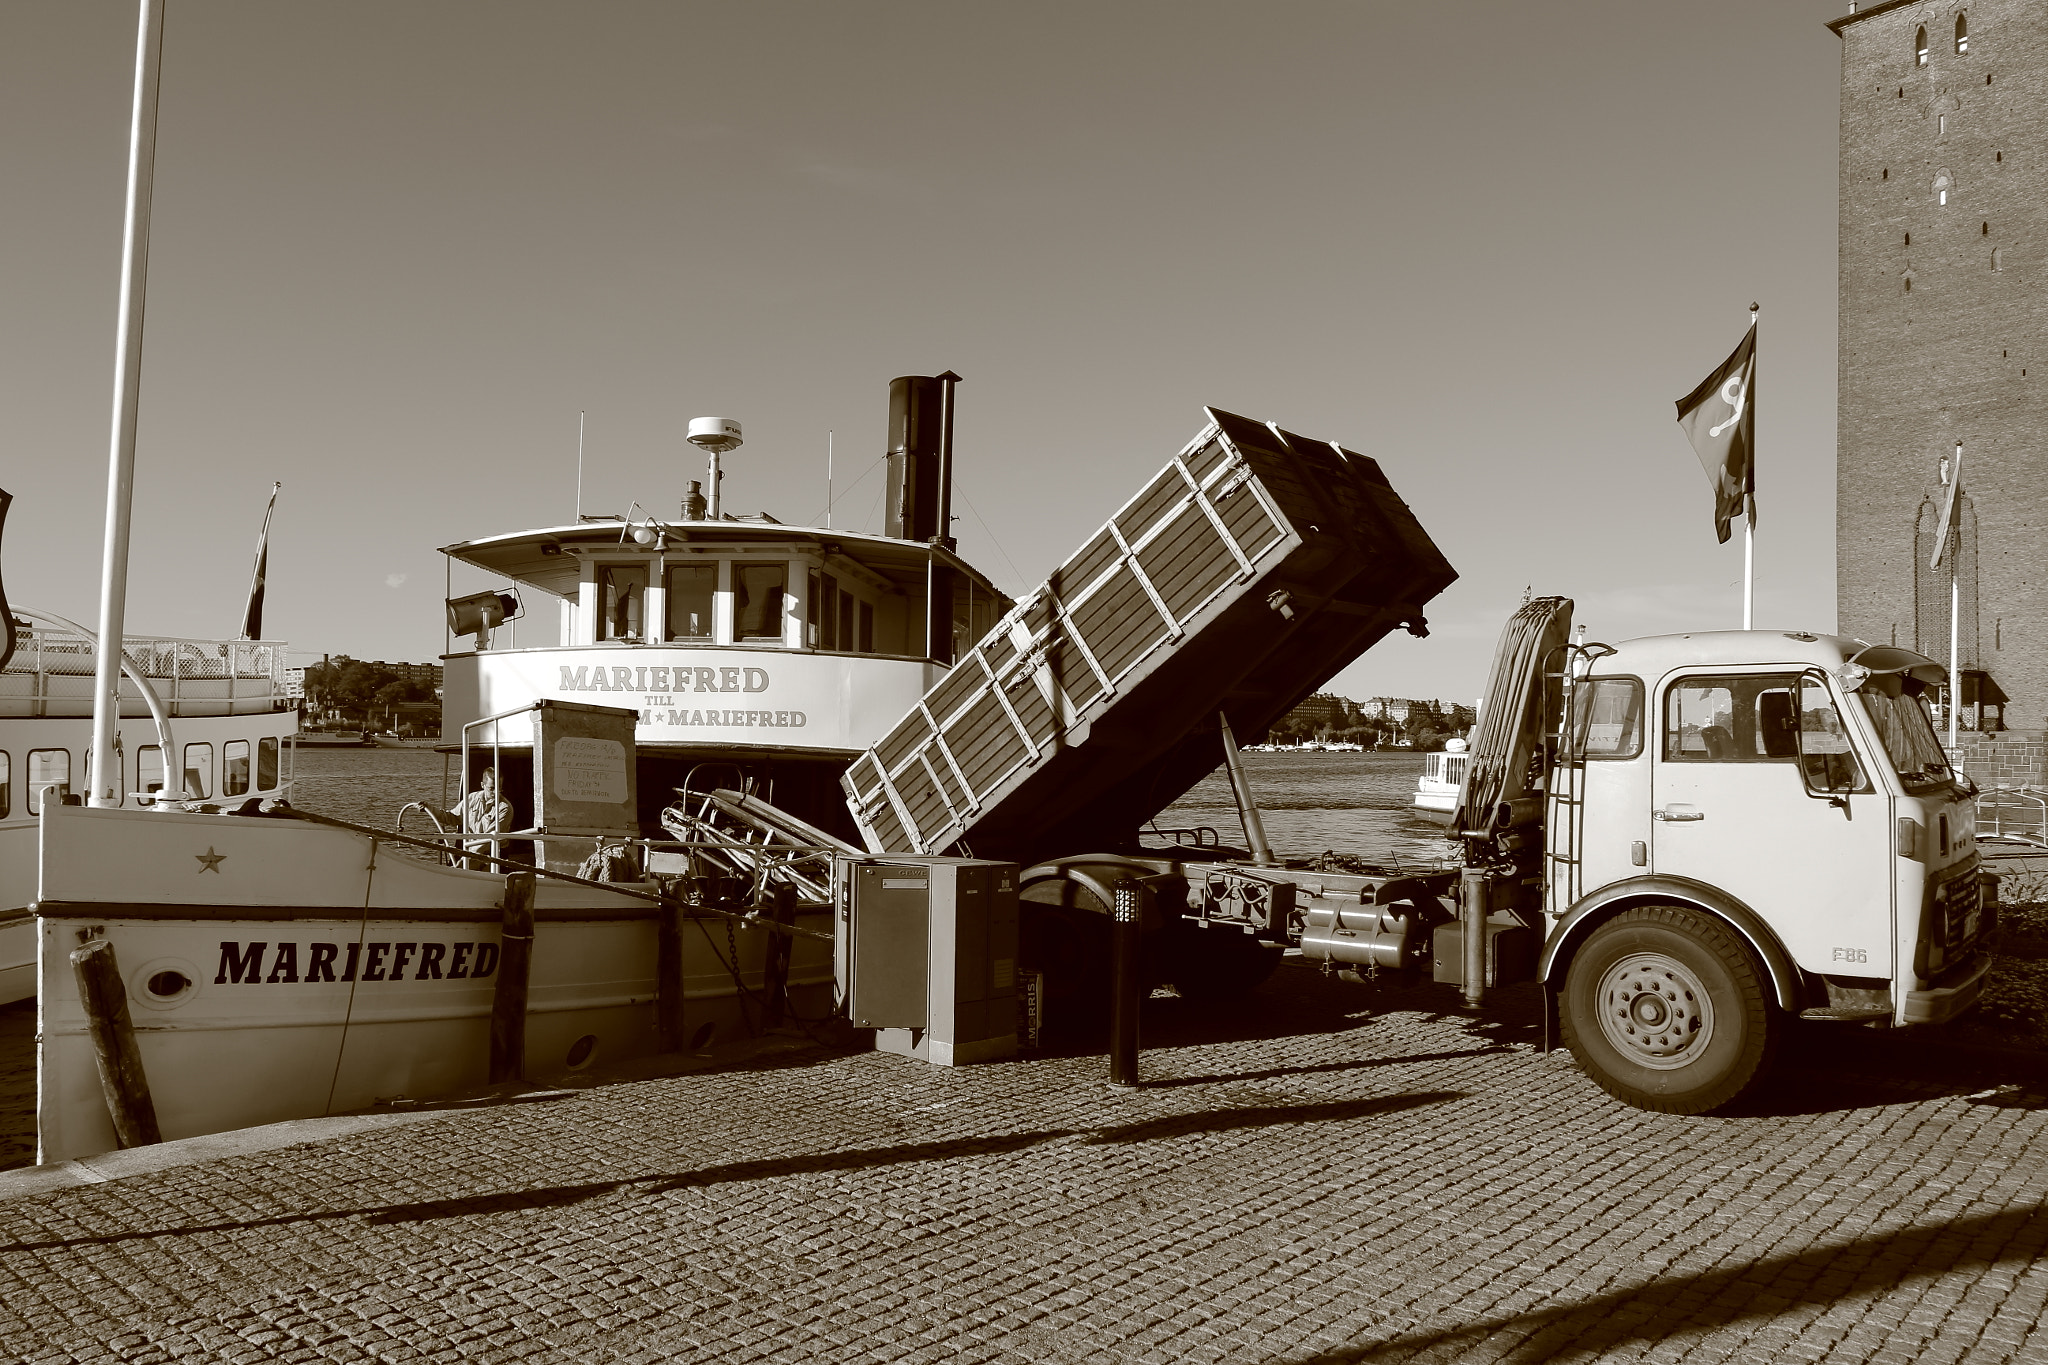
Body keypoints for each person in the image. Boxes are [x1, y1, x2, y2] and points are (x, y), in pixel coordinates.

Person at [455, 767, 514, 870]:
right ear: (482, 785)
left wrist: (466, 859)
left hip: (494, 857)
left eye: (499, 788)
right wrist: (430, 809)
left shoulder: (505, 808)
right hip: (471, 853)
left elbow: (488, 839)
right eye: (492, 788)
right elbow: (453, 817)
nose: (496, 792)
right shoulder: (471, 798)